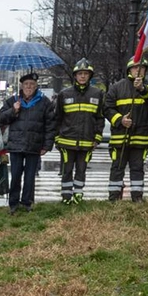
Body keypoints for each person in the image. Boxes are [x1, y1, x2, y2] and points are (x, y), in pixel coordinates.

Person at [104, 58, 148, 201]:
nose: (138, 70)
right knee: (117, 169)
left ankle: (137, 198)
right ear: (129, 70)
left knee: (137, 169)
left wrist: (142, 89)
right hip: (120, 138)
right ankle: (114, 198)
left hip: (141, 138)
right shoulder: (116, 87)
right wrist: (120, 120)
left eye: (141, 68)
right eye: (135, 68)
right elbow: (106, 108)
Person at [0, 72, 57, 214]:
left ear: (36, 86)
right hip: (16, 145)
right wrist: (14, 110)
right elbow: (1, 118)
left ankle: (27, 203)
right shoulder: (13, 100)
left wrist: (47, 146)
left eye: (32, 84)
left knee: (30, 177)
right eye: (26, 84)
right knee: (16, 175)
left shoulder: (44, 102)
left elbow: (50, 125)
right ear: (22, 86)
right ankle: (13, 203)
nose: (29, 87)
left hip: (34, 145)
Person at [54, 58, 105, 204]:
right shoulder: (64, 94)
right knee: (67, 170)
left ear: (90, 76)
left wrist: (97, 138)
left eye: (85, 73)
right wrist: (56, 137)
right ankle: (66, 197)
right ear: (75, 76)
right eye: (80, 73)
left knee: (81, 170)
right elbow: (57, 118)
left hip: (87, 141)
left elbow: (100, 118)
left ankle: (78, 195)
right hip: (66, 141)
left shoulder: (97, 94)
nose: (82, 76)